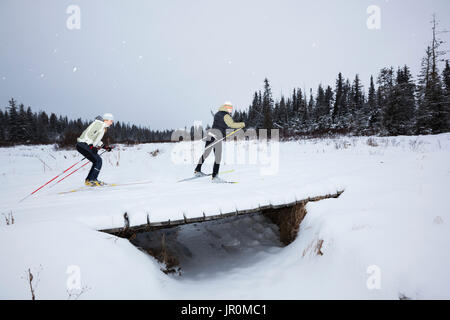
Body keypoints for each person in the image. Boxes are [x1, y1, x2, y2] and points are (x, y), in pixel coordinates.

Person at [194, 102, 245, 183]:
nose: (231, 111)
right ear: (227, 108)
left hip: (210, 135)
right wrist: (242, 124)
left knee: (206, 153)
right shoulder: (226, 115)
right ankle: (215, 176)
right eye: (230, 109)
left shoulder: (217, 114)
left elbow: (220, 125)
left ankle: (197, 170)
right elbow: (231, 124)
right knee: (218, 157)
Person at [76, 113, 114, 186]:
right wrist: (91, 146)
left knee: (96, 161)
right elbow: (88, 135)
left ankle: (89, 180)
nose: (111, 123)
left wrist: (105, 147)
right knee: (98, 160)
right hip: (83, 144)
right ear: (106, 120)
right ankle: (92, 180)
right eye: (111, 121)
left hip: (83, 145)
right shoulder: (99, 124)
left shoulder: (102, 126)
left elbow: (96, 140)